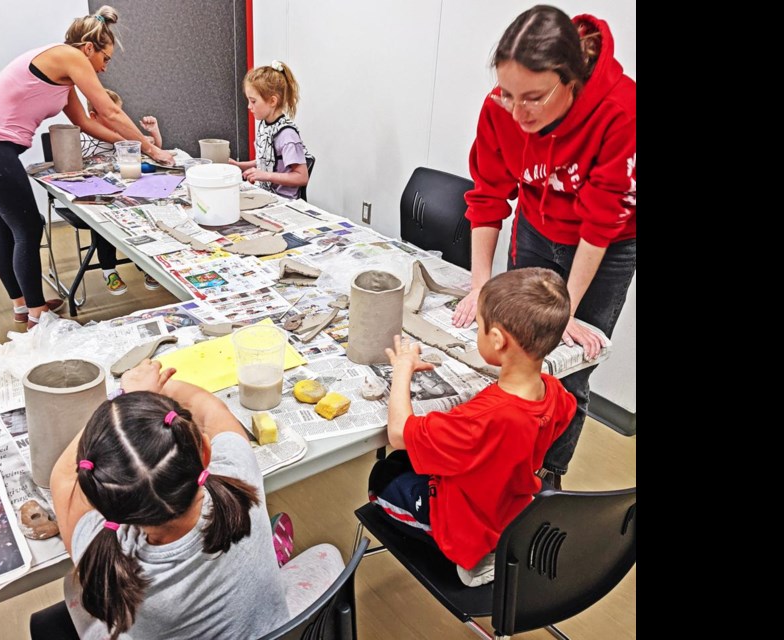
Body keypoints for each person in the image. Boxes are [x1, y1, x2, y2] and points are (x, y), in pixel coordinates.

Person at [450, 6, 636, 488]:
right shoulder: (501, 108)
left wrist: (567, 307)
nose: (517, 111)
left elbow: (601, 222)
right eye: (509, 94)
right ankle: (510, 462)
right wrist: (481, 288)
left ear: (570, 80)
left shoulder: (620, 109)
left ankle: (549, 477)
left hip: (607, 244)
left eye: (533, 97)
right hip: (537, 226)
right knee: (516, 352)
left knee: (571, 365)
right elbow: (488, 197)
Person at [50, 359, 345, 639]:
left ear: (102, 498)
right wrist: (136, 399)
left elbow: (62, 478)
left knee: (75, 592)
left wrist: (125, 400)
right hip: (272, 632)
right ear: (205, 452)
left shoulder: (99, 553)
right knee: (328, 553)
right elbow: (211, 409)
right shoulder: (238, 478)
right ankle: (256, 565)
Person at [371, 268, 578, 586]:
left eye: (479, 326)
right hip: (510, 503)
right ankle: (496, 541)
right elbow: (561, 415)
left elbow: (399, 433)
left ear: (497, 340)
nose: (476, 331)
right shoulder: (555, 392)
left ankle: (477, 559)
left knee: (382, 477)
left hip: (468, 523)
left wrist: (401, 370)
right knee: (409, 460)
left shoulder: (484, 418)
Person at [0, 6, 173, 329]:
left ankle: (24, 307)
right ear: (88, 48)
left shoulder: (61, 76)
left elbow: (86, 124)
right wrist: (151, 149)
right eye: (105, 59)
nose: (105, 69)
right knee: (26, 229)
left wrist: (129, 146)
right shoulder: (70, 56)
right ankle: (38, 317)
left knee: (7, 230)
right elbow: (108, 111)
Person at [82, 89, 165, 294]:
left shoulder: (122, 136)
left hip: (127, 192)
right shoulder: (82, 139)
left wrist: (154, 131)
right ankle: (109, 270)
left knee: (144, 216)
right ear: (93, 116)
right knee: (102, 225)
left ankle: (146, 266)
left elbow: (153, 149)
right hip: (96, 196)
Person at [229, 60, 313, 200]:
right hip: (265, 195)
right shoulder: (265, 125)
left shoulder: (287, 135)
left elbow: (301, 177)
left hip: (283, 202)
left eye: (253, 101)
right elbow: (267, 161)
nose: (249, 106)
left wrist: (265, 176)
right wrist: (239, 165)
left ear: (272, 101)